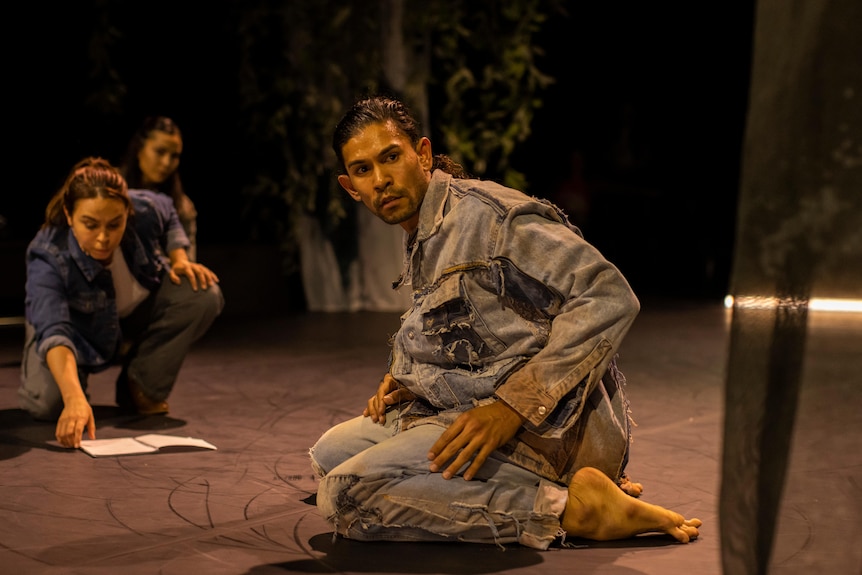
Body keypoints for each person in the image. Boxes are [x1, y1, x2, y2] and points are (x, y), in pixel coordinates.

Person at [308, 95, 702, 549]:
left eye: (391, 157)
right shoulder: (424, 230)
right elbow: (474, 324)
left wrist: (511, 407)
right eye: (363, 170)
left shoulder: (489, 217)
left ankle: (570, 508)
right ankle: (557, 487)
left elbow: (609, 294)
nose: (381, 180)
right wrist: (409, 375)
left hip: (545, 430)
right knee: (328, 455)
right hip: (469, 407)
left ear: (422, 154)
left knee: (343, 496)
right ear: (350, 186)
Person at [19, 157, 224, 448]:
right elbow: (54, 329)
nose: (103, 238)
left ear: (128, 212)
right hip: (73, 333)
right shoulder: (48, 252)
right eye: (90, 225)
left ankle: (140, 384)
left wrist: (179, 257)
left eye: (114, 224)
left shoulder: (144, 207)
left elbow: (169, 210)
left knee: (202, 292)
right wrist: (74, 398)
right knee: (49, 407)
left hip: (128, 317)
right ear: (69, 214)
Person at [120, 116, 198, 260]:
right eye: (160, 152)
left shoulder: (182, 206)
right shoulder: (111, 188)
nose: (166, 162)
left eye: (174, 156)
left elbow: (187, 262)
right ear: (139, 148)